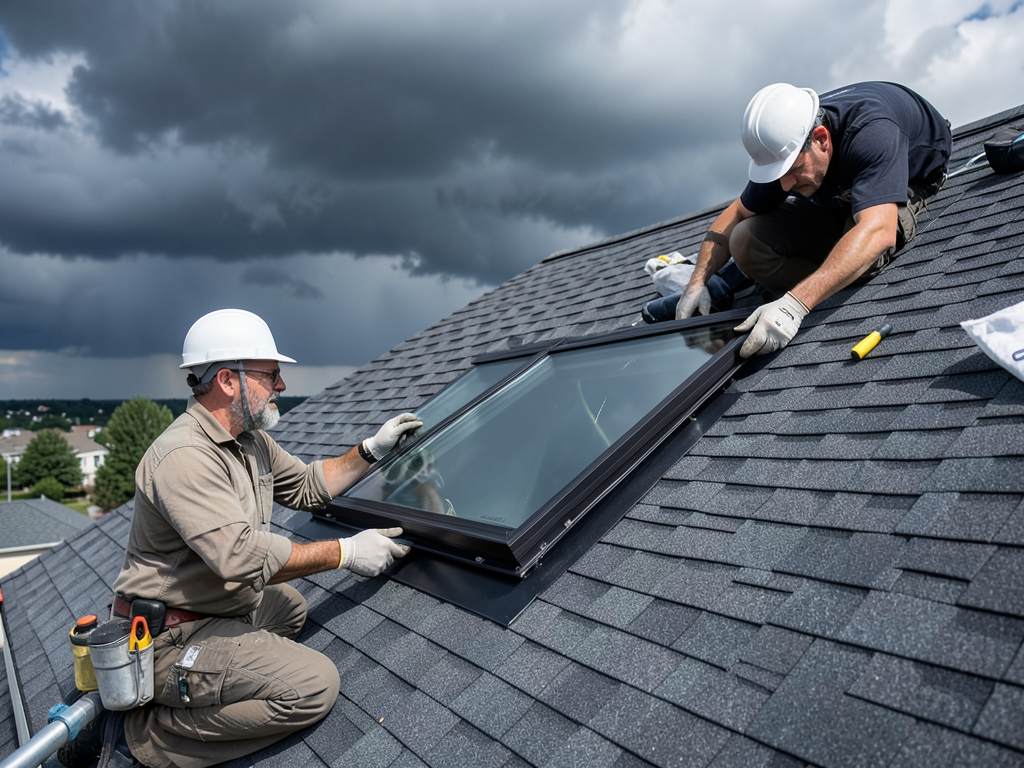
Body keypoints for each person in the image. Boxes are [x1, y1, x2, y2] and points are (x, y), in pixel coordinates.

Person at [59, 308, 423, 768]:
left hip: (216, 605)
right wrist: (345, 552)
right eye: (272, 374)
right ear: (229, 381)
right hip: (169, 636)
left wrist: (372, 449)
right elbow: (238, 558)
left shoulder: (250, 441)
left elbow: (310, 485)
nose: (282, 386)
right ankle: (141, 735)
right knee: (312, 686)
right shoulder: (184, 456)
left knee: (289, 606)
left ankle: (210, 678)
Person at [675, 81, 952, 357]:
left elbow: (879, 230)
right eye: (778, 175)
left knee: (866, 252)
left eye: (793, 170)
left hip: (909, 177)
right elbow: (735, 214)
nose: (784, 186)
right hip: (841, 196)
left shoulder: (872, 132)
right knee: (744, 239)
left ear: (821, 139)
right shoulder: (783, 144)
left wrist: (794, 306)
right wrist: (697, 282)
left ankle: (826, 276)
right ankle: (834, 270)